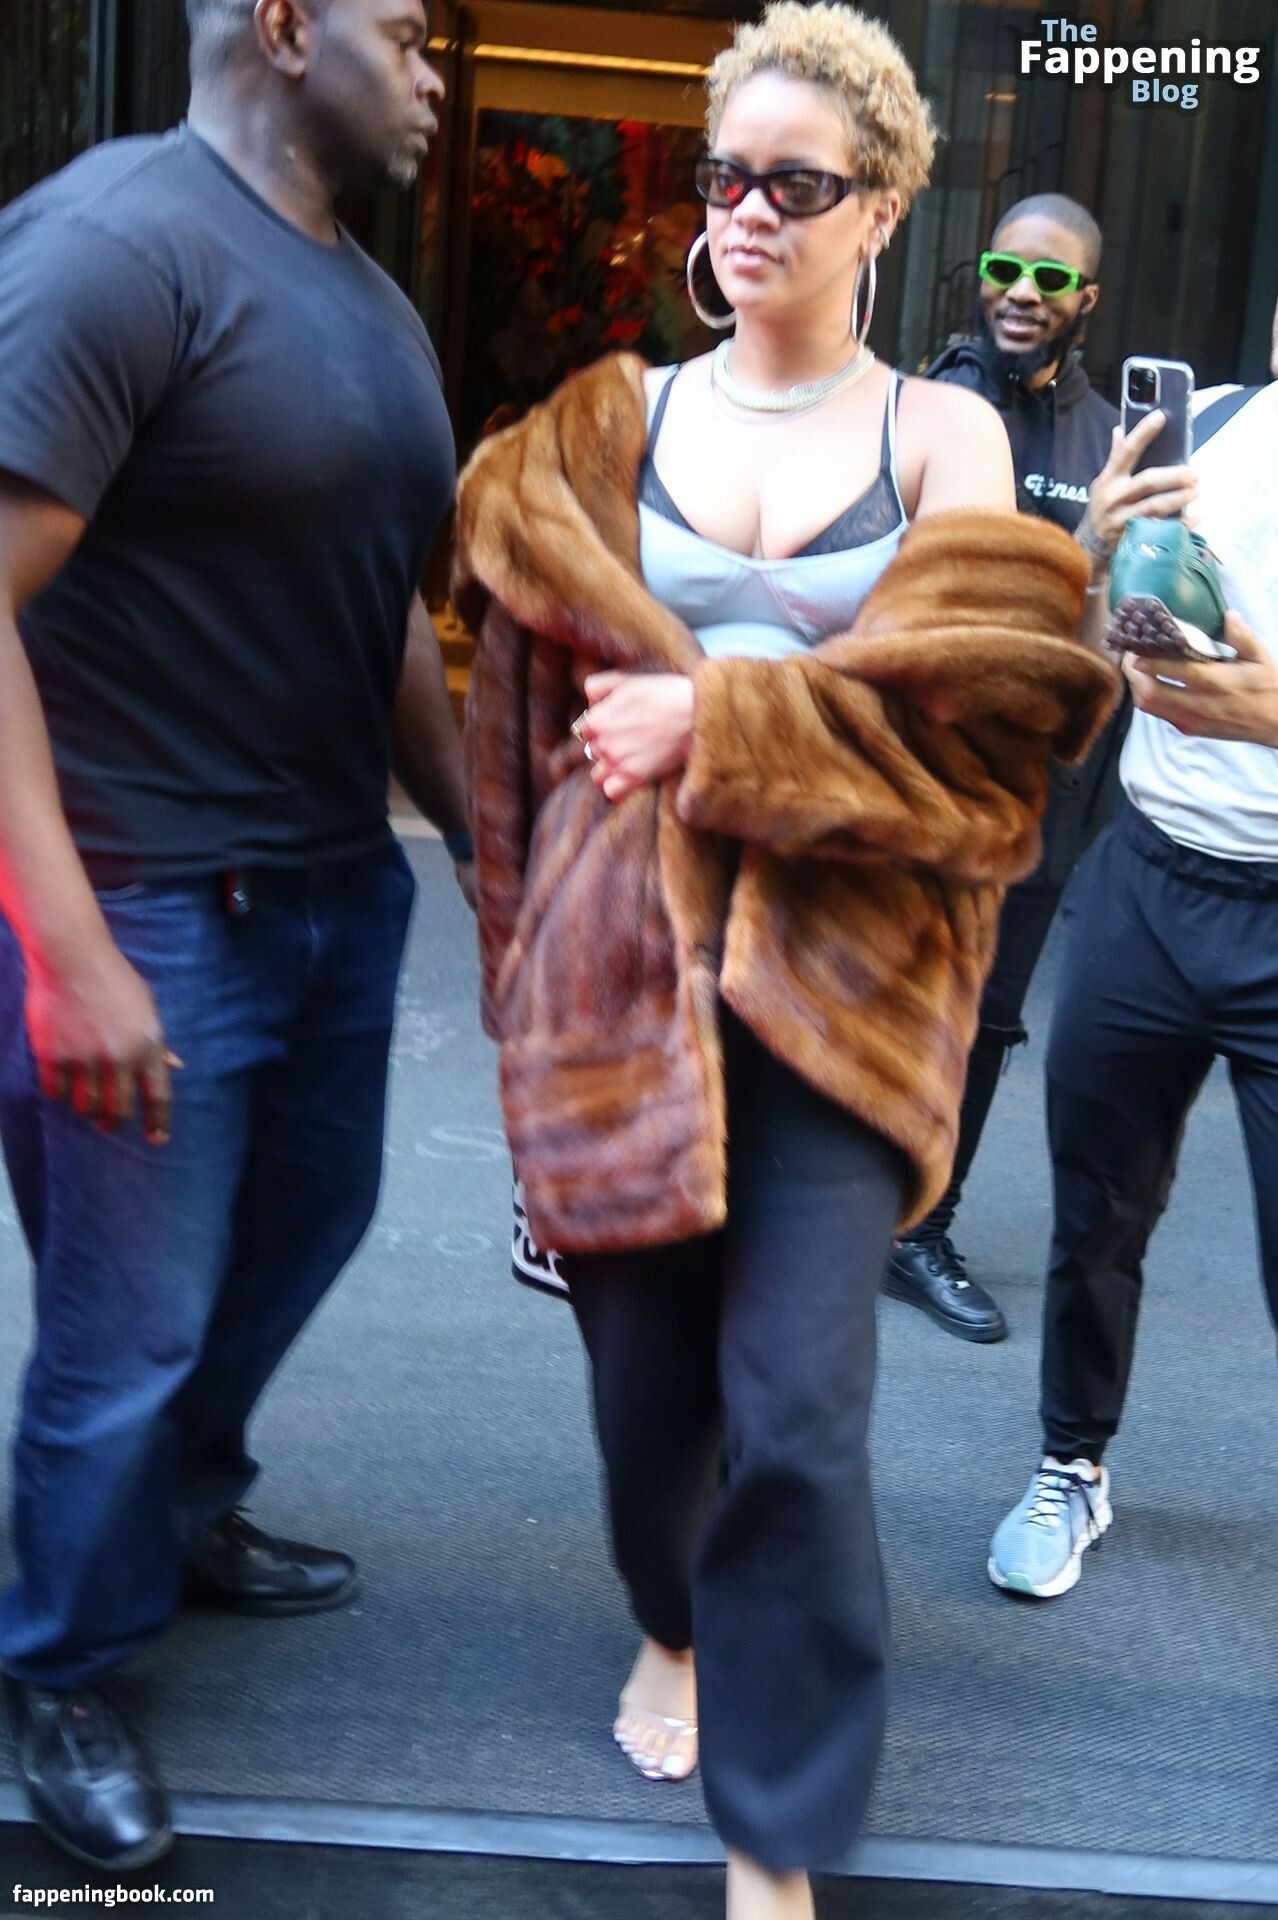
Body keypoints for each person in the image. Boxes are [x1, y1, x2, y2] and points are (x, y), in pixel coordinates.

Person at [453, 7, 1115, 1915]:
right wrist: (519, 1018)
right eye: (722, 175)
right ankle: (668, 1620)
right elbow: (513, 756)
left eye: (795, 184)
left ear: (880, 209)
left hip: (845, 997)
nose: (746, 211)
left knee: (802, 1421)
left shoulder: (940, 434)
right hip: (617, 990)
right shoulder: (609, 424)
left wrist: (717, 722)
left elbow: (980, 754)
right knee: (645, 1409)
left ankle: (777, 1828)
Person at [0, 0, 469, 1871]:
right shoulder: (118, 245)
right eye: (408, 30)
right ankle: (62, 1660)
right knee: (129, 1324)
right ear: (282, 23)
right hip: (148, 906)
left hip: (336, 893)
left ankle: (173, 1510)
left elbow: (393, 616)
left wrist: (488, 855)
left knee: (301, 1234)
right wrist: (72, 950)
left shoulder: (375, 303)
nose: (433, 68)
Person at [988, 341, 1278, 1601]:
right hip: (1150, 878)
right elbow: (1080, 662)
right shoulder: (1204, 427)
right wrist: (1092, 553)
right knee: (1097, 1209)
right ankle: (1071, 1462)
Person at [885, 193, 1127, 1343]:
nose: (1023, 293)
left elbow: (1103, 634)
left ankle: (918, 1229)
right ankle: (829, 1204)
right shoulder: (924, 408)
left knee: (987, 1018)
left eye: (1052, 279)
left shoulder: (1112, 442)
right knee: (878, 982)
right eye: (1005, 268)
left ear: (1087, 299)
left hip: (1042, 790)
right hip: (925, 765)